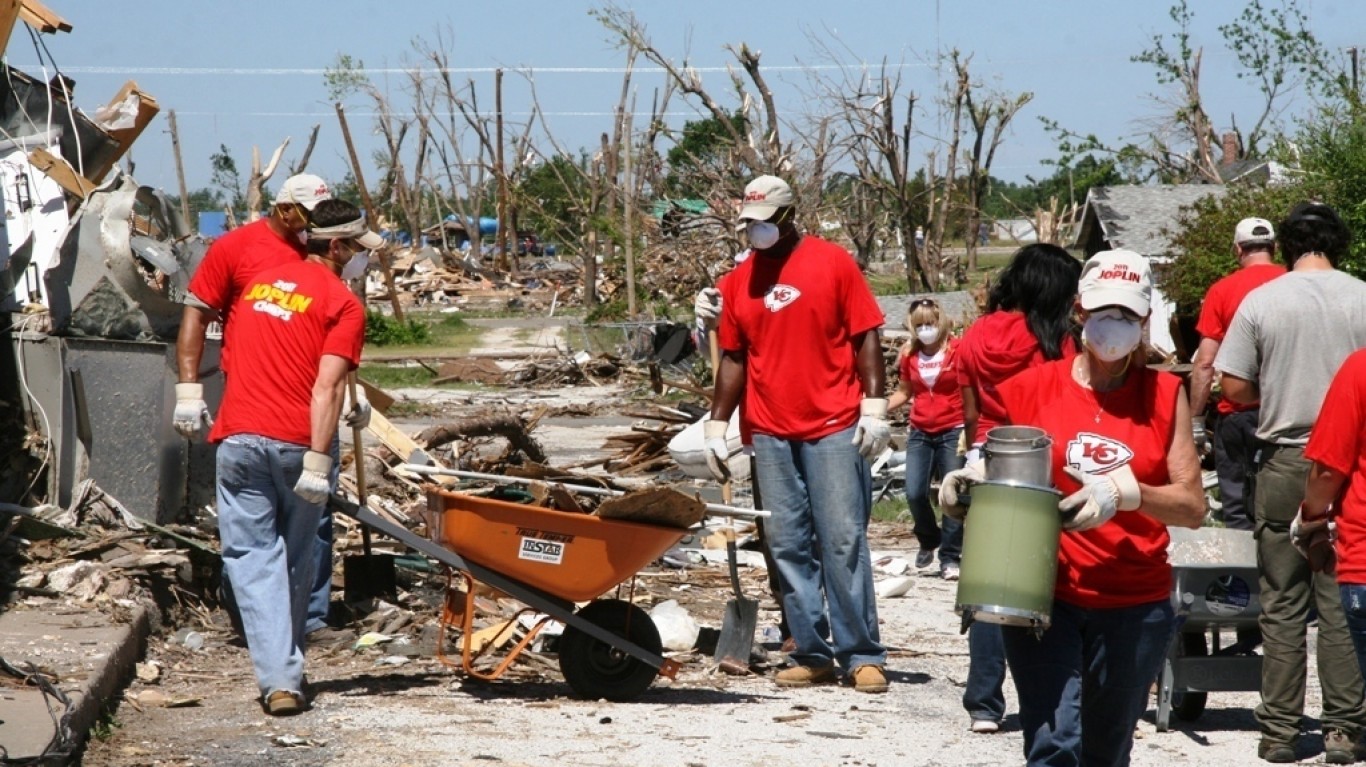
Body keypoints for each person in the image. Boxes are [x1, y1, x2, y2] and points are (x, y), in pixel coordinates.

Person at [943, 248, 1205, 765]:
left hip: (1134, 601)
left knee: (1107, 750)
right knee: (1054, 744)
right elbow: (993, 462)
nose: (1116, 325)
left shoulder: (1165, 393)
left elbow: (1192, 505)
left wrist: (1128, 494)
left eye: (1129, 314)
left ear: (1146, 318)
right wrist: (971, 483)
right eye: (1105, 311)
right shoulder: (1029, 390)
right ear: (1079, 311)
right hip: (1048, 594)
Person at [704, 174, 891, 693]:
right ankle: (812, 650)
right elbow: (734, 359)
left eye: (764, 224)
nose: (755, 233)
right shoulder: (737, 282)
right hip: (769, 429)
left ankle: (862, 653)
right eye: (749, 225)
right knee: (785, 543)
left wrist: (874, 408)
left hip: (832, 422)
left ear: (789, 218)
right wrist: (718, 424)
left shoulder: (833, 263)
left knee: (842, 539)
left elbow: (865, 337)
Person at [192, 200, 380, 715]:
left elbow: (238, 355)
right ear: (337, 247)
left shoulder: (257, 287)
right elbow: (326, 388)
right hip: (299, 442)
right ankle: (283, 676)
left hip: (239, 439)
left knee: (253, 559)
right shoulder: (343, 304)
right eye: (358, 249)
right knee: (296, 560)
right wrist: (320, 460)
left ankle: (281, 674)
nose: (362, 259)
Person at [1215, 202, 1366, 764]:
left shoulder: (1262, 299)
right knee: (1339, 599)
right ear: (1338, 242)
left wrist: (1275, 394)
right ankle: (1344, 728)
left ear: (1284, 244)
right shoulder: (1362, 295)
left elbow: (1231, 389)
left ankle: (1279, 730)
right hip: (1352, 462)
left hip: (1285, 454)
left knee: (1281, 601)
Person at [954, 242, 1081, 734]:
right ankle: (1048, 696)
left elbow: (969, 410)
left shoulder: (978, 334)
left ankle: (984, 703)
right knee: (1042, 580)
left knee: (989, 580)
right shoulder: (1054, 339)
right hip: (1041, 462)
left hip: (987, 456)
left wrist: (973, 457)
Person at [1190, 217, 1285, 531]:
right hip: (1292, 414)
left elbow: (1205, 363)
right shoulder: (1295, 282)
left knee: (1237, 508)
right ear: (1275, 248)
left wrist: (1195, 420)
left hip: (1240, 414)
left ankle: (1241, 578)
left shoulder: (1221, 291)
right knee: (1288, 510)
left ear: (1237, 249)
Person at [887, 297, 965, 580]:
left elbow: (970, 387)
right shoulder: (910, 355)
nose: (925, 329)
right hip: (920, 430)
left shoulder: (958, 350)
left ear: (940, 321)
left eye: (930, 323)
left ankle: (950, 557)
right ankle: (929, 538)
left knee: (951, 496)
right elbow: (904, 392)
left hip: (953, 429)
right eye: (919, 325)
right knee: (914, 491)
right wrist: (877, 408)